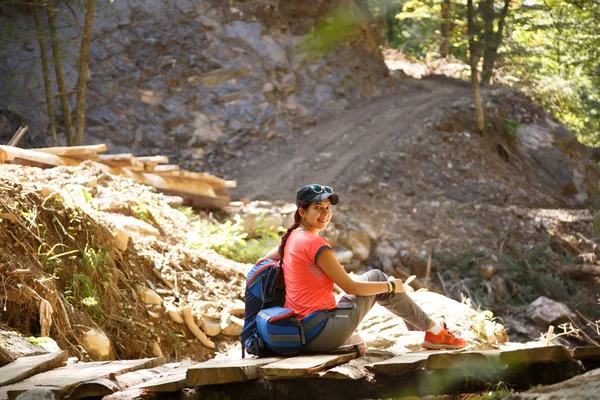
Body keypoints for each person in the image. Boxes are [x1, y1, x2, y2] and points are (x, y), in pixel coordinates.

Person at [262, 184, 466, 352]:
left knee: (376, 278)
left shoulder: (290, 238)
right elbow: (352, 288)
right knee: (378, 277)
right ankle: (435, 332)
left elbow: (261, 263)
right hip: (320, 333)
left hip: (302, 328)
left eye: (328, 208)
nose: (325, 213)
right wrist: (391, 287)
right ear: (302, 211)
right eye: (318, 207)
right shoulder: (315, 244)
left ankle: (431, 330)